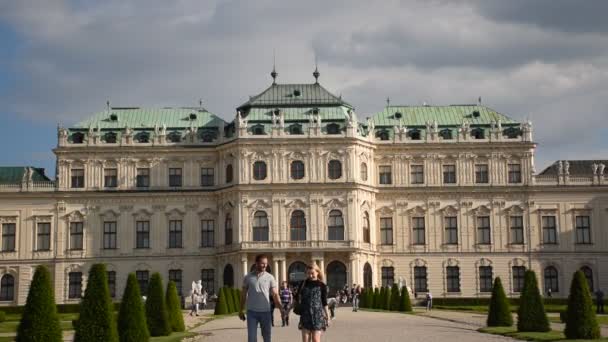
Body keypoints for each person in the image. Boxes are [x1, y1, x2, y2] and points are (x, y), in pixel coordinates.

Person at [239, 254, 284, 342]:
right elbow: (243, 295)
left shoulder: (270, 277)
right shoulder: (248, 277)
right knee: (252, 339)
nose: (265, 265)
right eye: (262, 263)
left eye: (266, 263)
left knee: (267, 338)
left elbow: (275, 294)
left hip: (266, 312)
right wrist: (240, 310)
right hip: (252, 312)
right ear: (256, 263)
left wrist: (281, 309)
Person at [297, 264, 330, 342]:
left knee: (315, 340)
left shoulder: (322, 285)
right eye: (308, 273)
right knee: (306, 340)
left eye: (312, 273)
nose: (310, 275)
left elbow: (324, 302)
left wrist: (328, 317)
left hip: (317, 316)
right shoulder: (303, 284)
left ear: (317, 272)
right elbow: (296, 299)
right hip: (305, 315)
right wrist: (287, 310)